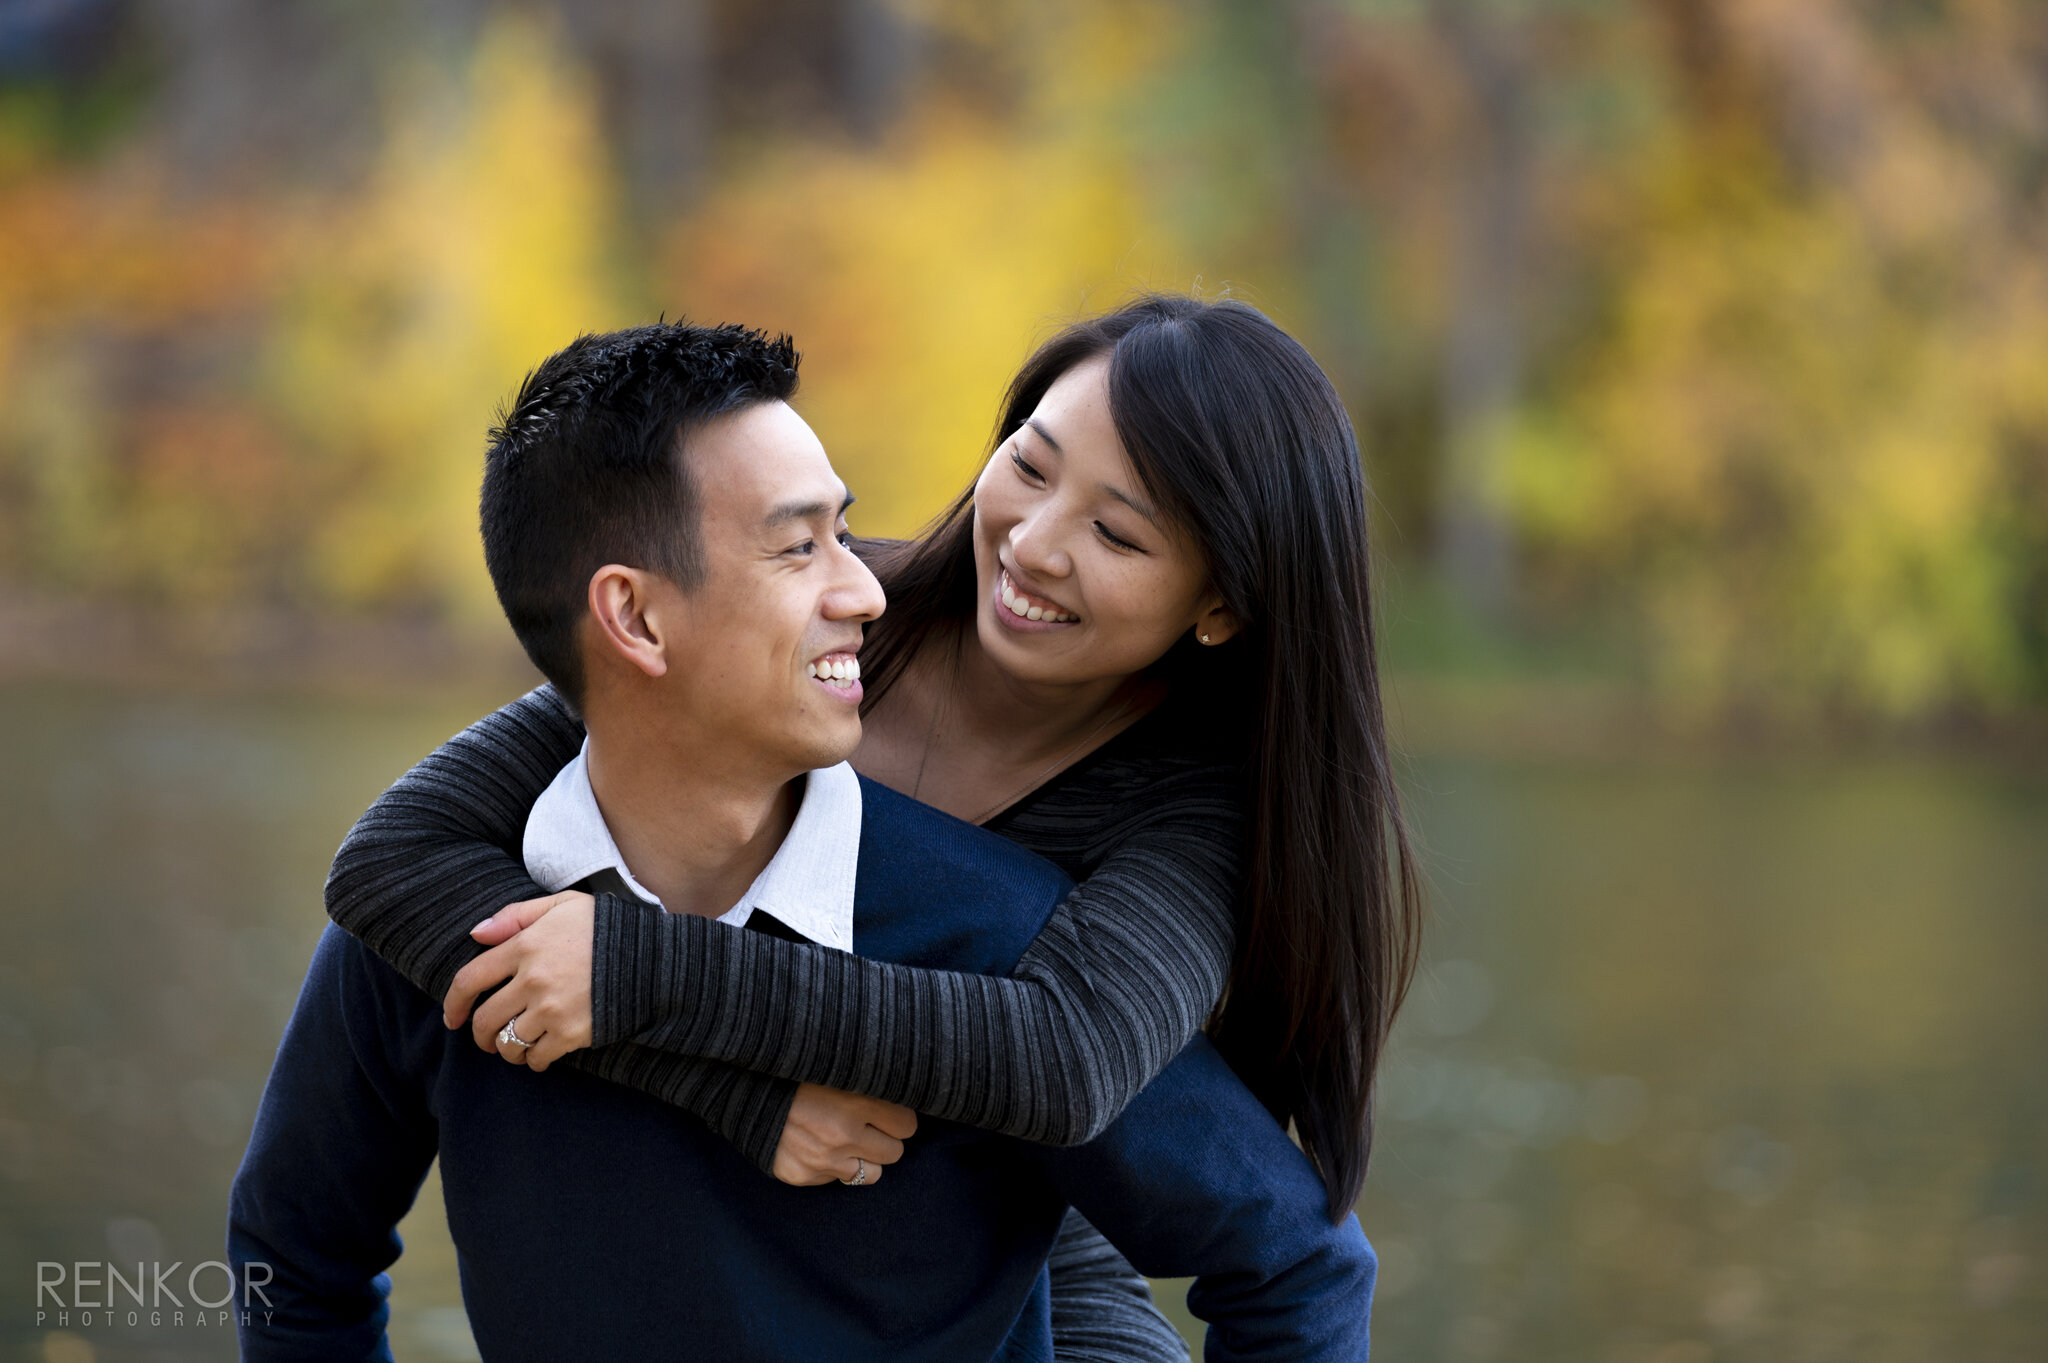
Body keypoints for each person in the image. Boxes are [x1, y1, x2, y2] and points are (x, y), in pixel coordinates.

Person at [230, 320, 1373, 1362]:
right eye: (1027, 463)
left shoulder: (1171, 835)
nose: (1031, 541)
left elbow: (1065, 1062)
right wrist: (738, 1090)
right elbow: (391, 858)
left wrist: (638, 976)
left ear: (1218, 606)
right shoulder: (806, 621)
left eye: (1118, 532)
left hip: (1031, 1237)